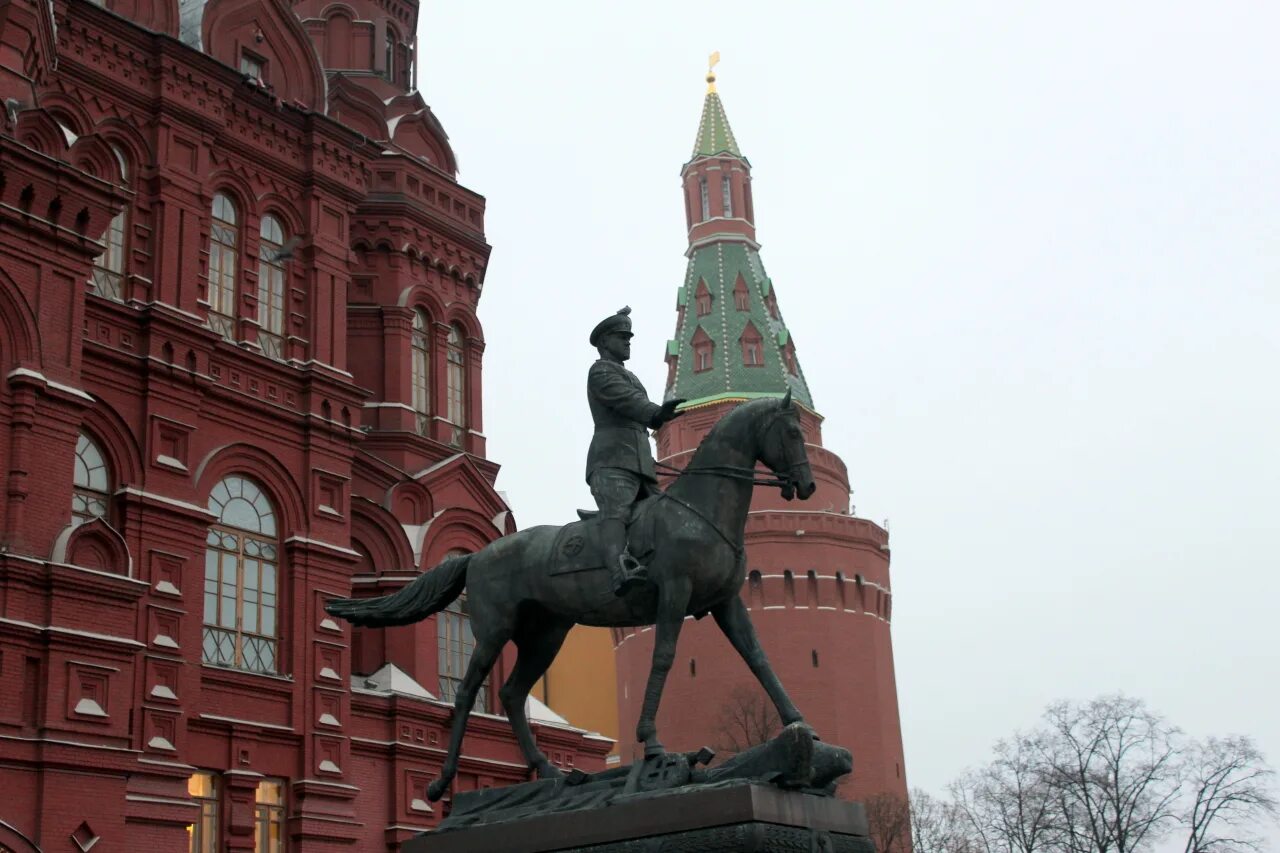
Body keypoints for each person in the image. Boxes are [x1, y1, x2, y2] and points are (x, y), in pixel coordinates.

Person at [585, 307, 685, 595]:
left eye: (629, 337)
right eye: (621, 337)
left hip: (640, 464)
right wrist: (656, 413)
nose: (628, 342)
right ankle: (620, 571)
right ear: (605, 342)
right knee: (616, 512)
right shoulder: (601, 371)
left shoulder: (630, 376)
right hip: (612, 462)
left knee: (667, 514)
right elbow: (626, 401)